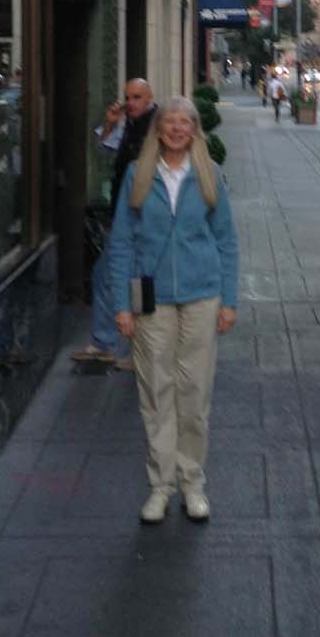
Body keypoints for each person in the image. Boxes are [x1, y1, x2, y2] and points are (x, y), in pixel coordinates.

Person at [108, 97, 239, 524]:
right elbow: (121, 243)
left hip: (203, 295)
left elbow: (227, 241)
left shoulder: (209, 173)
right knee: (156, 393)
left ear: (195, 130)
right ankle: (160, 487)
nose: (177, 129)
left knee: (194, 393)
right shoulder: (138, 174)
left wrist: (229, 300)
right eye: (170, 122)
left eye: (185, 123)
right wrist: (121, 305)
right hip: (151, 297)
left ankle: (192, 482)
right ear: (159, 130)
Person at [71, 78, 156, 367]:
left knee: (123, 278)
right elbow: (105, 152)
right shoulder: (128, 123)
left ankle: (116, 345)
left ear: (149, 97)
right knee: (118, 277)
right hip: (125, 213)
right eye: (128, 97)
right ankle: (120, 345)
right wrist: (109, 125)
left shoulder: (156, 125)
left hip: (142, 215)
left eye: (137, 97)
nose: (130, 102)